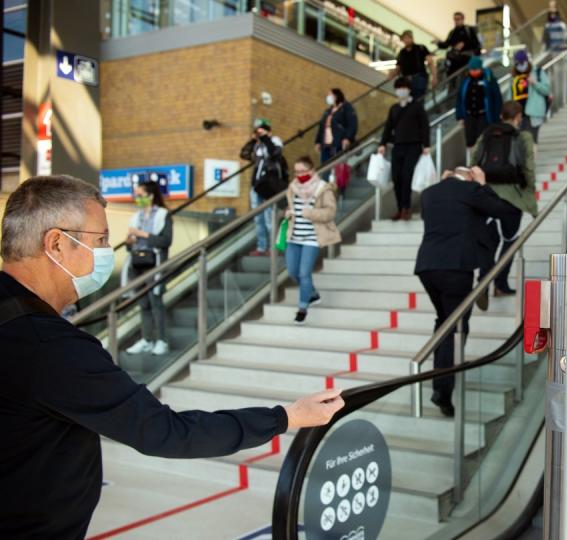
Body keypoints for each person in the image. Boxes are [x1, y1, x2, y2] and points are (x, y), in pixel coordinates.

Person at [0, 175, 345, 538]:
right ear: (56, 244)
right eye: (100, 240)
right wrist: (285, 417)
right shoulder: (51, 348)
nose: (106, 251)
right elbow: (166, 433)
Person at [414, 166, 517, 416]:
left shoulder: (429, 193)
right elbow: (502, 210)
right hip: (456, 268)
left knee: (444, 322)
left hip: (427, 266)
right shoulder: (470, 189)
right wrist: (482, 185)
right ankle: (443, 389)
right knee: (456, 327)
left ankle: (442, 378)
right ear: (470, 175)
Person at [472, 101, 537, 304]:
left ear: (501, 116)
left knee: (490, 242)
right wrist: (530, 195)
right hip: (512, 198)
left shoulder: (487, 134)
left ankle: (483, 281)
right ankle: (500, 284)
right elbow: (528, 167)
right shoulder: (523, 136)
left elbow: (474, 162)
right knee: (509, 243)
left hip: (487, 195)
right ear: (518, 117)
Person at [284, 156, 341, 324]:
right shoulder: (293, 187)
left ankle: (302, 308)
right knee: (292, 271)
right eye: (297, 171)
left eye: (303, 171)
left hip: (313, 237)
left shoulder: (323, 189)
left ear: (312, 170)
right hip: (294, 236)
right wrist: (289, 212)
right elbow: (293, 207)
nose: (300, 174)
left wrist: (309, 213)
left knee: (304, 273)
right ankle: (313, 294)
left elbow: (330, 213)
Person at [123, 180, 173, 356]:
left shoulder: (163, 215)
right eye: (136, 196)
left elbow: (166, 241)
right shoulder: (136, 217)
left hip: (154, 263)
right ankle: (147, 339)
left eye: (141, 195)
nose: (138, 199)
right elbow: (130, 246)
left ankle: (162, 340)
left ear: (151, 196)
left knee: (155, 302)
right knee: (143, 303)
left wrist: (142, 234)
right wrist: (130, 242)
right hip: (137, 264)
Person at [378, 77, 431, 221]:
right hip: (398, 146)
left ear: (409, 89)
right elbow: (388, 128)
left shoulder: (417, 106)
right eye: (398, 88)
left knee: (407, 176)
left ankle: (406, 208)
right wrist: (382, 144)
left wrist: (426, 145)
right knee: (396, 177)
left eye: (404, 87)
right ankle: (400, 207)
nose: (401, 90)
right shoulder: (394, 109)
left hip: (414, 146)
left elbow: (424, 126)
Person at [241, 118, 287, 256]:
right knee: (258, 218)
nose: (259, 133)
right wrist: (253, 140)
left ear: (269, 131)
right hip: (256, 186)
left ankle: (274, 247)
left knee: (269, 218)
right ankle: (262, 247)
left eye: (261, 130)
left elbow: (275, 154)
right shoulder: (257, 145)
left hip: (269, 185)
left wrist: (265, 138)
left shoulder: (275, 141)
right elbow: (244, 154)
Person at [456, 56, 502, 150]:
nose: (473, 72)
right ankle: (473, 161)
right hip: (469, 116)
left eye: (475, 69)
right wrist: (460, 116)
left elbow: (497, 99)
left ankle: (482, 161)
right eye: (471, 70)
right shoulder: (466, 81)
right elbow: (460, 99)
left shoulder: (489, 80)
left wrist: (497, 117)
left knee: (482, 139)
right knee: (470, 141)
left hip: (484, 115)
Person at [435, 11, 482, 85]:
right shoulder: (452, 32)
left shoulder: (469, 30)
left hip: (466, 60)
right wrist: (438, 43)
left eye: (458, 19)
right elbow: (446, 44)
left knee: (464, 80)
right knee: (453, 81)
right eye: (455, 19)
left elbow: (477, 44)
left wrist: (464, 44)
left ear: (463, 19)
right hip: (455, 62)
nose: (456, 21)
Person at [314, 88, 358, 164]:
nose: (328, 97)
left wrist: (348, 138)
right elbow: (322, 127)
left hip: (338, 144)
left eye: (329, 95)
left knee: (336, 166)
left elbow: (352, 124)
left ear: (336, 96)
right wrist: (318, 142)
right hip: (326, 145)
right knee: (325, 166)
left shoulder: (346, 108)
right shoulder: (328, 111)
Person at [392, 30, 438, 99]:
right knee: (404, 101)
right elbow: (397, 68)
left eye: (408, 38)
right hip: (405, 81)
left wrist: (434, 77)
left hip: (419, 79)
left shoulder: (420, 48)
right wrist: (392, 74)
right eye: (405, 38)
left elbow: (430, 63)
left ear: (412, 38)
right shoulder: (402, 53)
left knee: (417, 100)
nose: (406, 40)